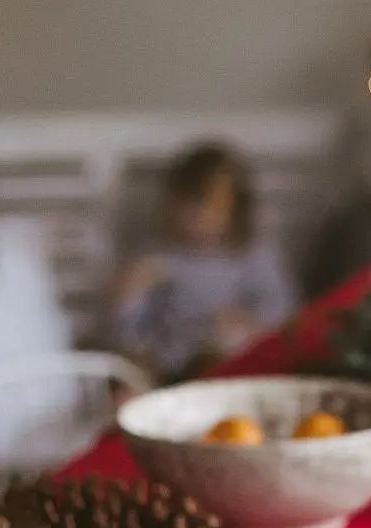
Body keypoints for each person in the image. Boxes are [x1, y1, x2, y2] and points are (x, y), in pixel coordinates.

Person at [110, 142, 295, 379]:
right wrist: (127, 298)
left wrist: (249, 323)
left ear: (236, 209)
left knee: (230, 350)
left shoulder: (253, 256)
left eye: (212, 208)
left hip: (230, 365)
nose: (199, 218)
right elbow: (128, 332)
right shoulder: (158, 256)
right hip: (168, 367)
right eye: (190, 207)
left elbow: (287, 316)